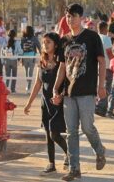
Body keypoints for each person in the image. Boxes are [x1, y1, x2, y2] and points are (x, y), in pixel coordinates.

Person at [52, 3, 106, 181]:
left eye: (73, 16)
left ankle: (99, 150)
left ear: (81, 17)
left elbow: (102, 61)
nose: (70, 19)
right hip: (68, 92)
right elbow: (62, 66)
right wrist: (56, 87)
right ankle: (74, 169)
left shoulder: (92, 37)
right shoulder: (64, 40)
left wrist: (101, 86)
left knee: (87, 127)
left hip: (87, 91)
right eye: (67, 16)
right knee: (71, 131)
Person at [23, 32, 68, 175]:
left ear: (55, 44)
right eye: (43, 42)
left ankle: (69, 154)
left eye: (48, 42)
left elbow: (66, 83)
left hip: (57, 102)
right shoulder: (41, 62)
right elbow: (37, 84)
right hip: (45, 102)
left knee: (54, 133)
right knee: (47, 134)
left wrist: (60, 96)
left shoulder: (61, 62)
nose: (45, 45)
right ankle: (51, 163)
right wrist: (29, 103)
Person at [94, 21, 113, 117]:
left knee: (98, 86)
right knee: (106, 88)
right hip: (106, 66)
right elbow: (109, 53)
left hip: (96, 66)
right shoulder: (106, 39)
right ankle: (101, 108)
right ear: (105, 29)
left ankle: (97, 105)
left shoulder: (95, 37)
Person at [21, 25, 41, 94]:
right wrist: (42, 55)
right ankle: (28, 87)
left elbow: (21, 48)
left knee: (27, 72)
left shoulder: (23, 38)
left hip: (24, 56)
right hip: (32, 56)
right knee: (31, 72)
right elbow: (39, 46)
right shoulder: (34, 38)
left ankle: (28, 85)